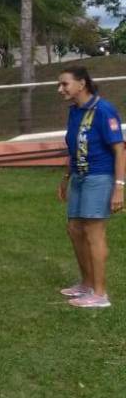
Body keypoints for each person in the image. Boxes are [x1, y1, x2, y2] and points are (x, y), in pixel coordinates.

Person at [57, 66, 125, 308]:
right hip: (79, 177)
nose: (60, 89)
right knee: (74, 229)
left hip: (99, 177)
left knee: (93, 232)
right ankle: (86, 284)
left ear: (82, 84)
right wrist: (66, 177)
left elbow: (119, 150)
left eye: (64, 84)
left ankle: (100, 294)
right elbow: (74, 147)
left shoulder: (104, 110)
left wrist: (119, 187)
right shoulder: (75, 111)